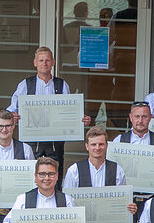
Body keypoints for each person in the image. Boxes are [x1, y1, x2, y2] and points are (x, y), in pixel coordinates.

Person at [7, 46, 92, 188]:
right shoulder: (25, 85)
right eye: (41, 60)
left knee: (55, 175)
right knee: (31, 175)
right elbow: (11, 109)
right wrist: (13, 116)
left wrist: (80, 118)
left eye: (47, 60)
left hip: (55, 142)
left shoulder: (62, 85)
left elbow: (69, 109)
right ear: (35, 63)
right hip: (32, 141)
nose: (44, 63)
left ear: (53, 62)